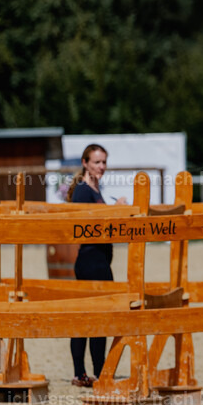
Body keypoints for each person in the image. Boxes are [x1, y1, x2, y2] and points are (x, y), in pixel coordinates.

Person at [66, 144, 127, 386]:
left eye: (103, 162)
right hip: (92, 260)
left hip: (96, 259)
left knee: (89, 317)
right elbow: (88, 223)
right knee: (98, 318)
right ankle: (99, 372)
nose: (101, 166)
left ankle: (84, 372)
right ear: (85, 163)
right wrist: (116, 210)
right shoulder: (83, 190)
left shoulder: (93, 187)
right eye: (96, 162)